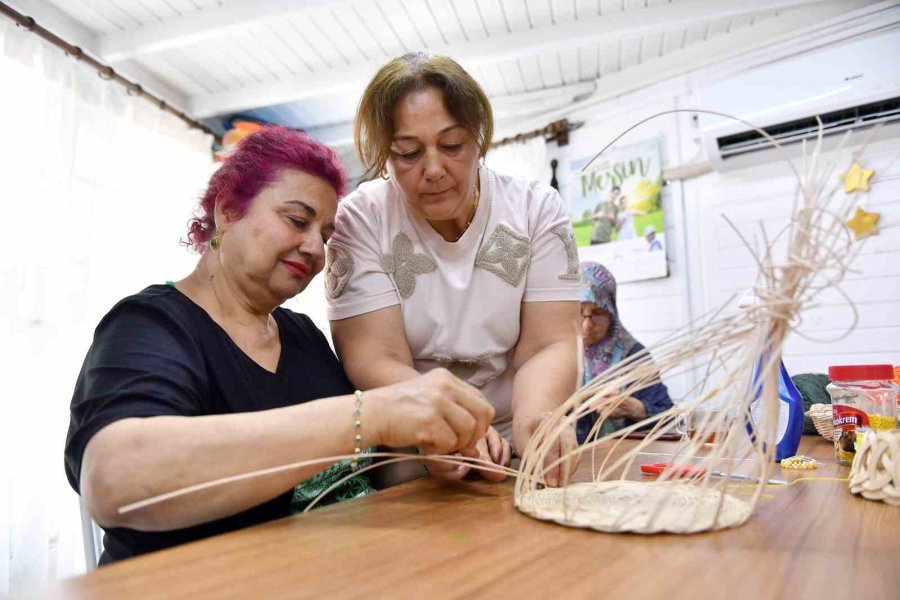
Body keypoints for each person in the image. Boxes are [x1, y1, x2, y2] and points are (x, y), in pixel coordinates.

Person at [65, 126, 495, 564]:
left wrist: (431, 453)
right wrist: (375, 413)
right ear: (229, 210)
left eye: (326, 235)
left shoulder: (301, 335)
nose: (315, 248)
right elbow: (115, 478)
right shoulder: (151, 324)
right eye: (296, 220)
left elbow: (365, 471)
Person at [326, 53, 580, 486]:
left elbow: (548, 344)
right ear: (384, 154)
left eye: (452, 145)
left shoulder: (535, 211)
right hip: (413, 434)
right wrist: (449, 425)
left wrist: (537, 422)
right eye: (407, 153)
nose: (434, 170)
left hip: (513, 423)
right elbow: (375, 357)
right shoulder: (362, 221)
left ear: (478, 139)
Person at [577, 262, 673, 443]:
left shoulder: (633, 356)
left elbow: (671, 418)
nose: (587, 325)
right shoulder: (553, 355)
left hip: (623, 460)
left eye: (597, 312)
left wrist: (638, 410)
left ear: (611, 312)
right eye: (578, 312)